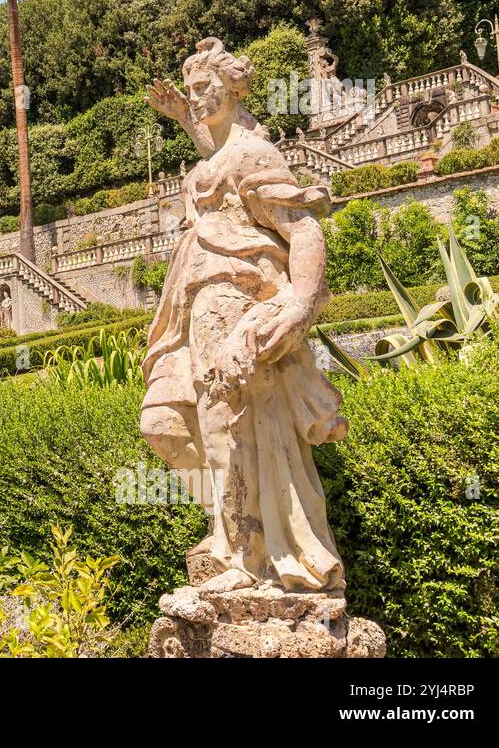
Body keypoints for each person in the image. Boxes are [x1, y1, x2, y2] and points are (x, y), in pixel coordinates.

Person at [141, 37, 347, 593]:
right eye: (191, 91)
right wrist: (185, 117)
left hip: (236, 304)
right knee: (162, 424)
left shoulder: (256, 154)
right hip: (189, 310)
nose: (198, 97)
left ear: (232, 87)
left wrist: (300, 301)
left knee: (224, 428)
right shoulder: (215, 157)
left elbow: (302, 226)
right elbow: (214, 150)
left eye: (205, 88)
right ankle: (229, 529)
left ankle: (243, 553)